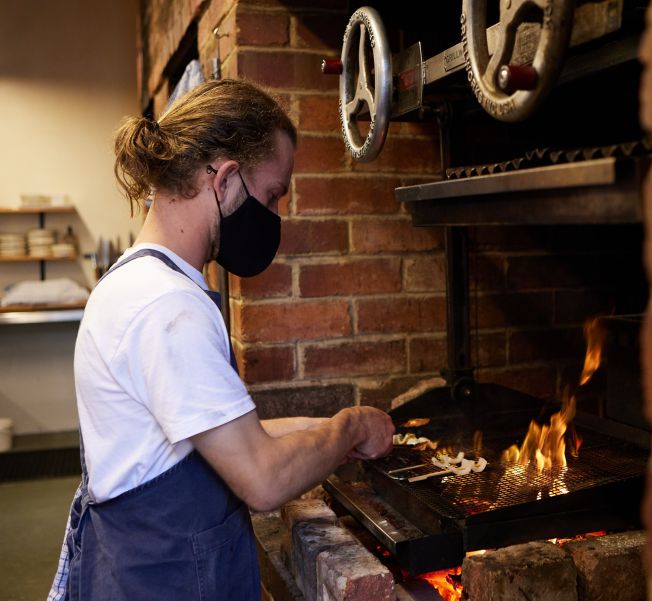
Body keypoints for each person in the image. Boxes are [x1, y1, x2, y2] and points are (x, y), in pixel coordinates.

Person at [47, 79, 395, 600]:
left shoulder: (136, 282)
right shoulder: (167, 306)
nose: (276, 215)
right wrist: (350, 426)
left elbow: (203, 438)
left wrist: (318, 434)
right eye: (273, 194)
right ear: (226, 178)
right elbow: (262, 480)